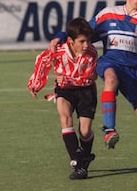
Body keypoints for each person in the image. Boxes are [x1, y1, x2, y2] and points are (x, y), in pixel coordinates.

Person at [49, 0, 137, 175]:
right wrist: (60, 36)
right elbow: (83, 29)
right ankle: (109, 130)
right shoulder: (109, 14)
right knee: (110, 78)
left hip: (133, 72)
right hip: (111, 62)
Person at [27, 17, 98, 180]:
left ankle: (84, 157)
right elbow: (42, 60)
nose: (86, 45)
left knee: (85, 131)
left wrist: (67, 79)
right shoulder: (59, 50)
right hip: (64, 91)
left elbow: (88, 79)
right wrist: (35, 83)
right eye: (82, 41)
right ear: (70, 40)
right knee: (65, 119)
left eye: (87, 41)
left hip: (86, 91)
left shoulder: (91, 53)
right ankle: (78, 163)